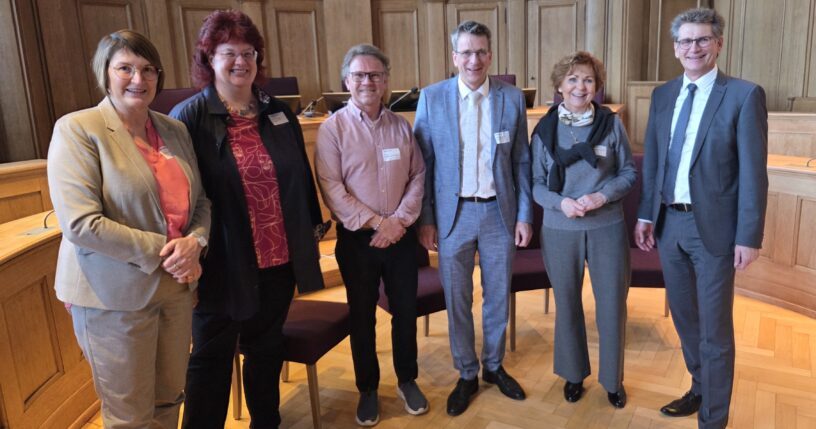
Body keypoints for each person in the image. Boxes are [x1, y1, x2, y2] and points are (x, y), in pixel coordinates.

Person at [47, 30, 211, 428]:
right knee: (129, 415)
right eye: (125, 68)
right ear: (104, 73)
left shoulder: (174, 130)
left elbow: (201, 203)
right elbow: (81, 223)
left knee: (169, 400)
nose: (138, 79)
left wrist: (197, 241)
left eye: (148, 70)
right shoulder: (77, 129)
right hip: (112, 297)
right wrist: (171, 249)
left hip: (174, 289)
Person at [170, 9, 325, 429]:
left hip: (277, 258)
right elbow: (180, 197)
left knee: (266, 350)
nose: (241, 61)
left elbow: (300, 178)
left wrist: (310, 233)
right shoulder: (189, 118)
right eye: (229, 53)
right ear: (209, 59)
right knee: (209, 361)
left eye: (248, 52)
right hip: (220, 263)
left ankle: (266, 423)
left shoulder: (278, 111)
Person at [635, 8, 768, 429]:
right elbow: (653, 161)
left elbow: (753, 173)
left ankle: (713, 419)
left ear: (718, 44)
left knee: (715, 331)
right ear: (675, 48)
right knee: (685, 318)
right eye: (686, 41)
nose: (694, 47)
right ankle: (699, 387)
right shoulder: (663, 95)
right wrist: (644, 215)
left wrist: (748, 236)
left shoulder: (744, 96)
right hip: (669, 225)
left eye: (702, 40)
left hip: (714, 231)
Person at [413, 20, 533, 416]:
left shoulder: (512, 98)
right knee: (458, 299)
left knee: (497, 294)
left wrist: (525, 215)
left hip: (500, 213)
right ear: (454, 57)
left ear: (491, 55)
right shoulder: (432, 98)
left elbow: (521, 161)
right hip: (453, 214)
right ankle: (466, 372)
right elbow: (423, 165)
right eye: (466, 52)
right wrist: (426, 218)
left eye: (481, 51)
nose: (474, 59)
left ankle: (493, 366)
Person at [314, 43, 427, 427]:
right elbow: (332, 187)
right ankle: (368, 388)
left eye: (375, 75)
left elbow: (418, 177)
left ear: (386, 82)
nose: (368, 81)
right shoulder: (333, 129)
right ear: (347, 81)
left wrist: (398, 223)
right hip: (358, 241)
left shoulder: (401, 126)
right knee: (362, 316)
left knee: (405, 313)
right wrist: (379, 224)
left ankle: (407, 379)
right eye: (360, 75)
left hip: (400, 237)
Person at [531, 51, 636, 409]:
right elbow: (535, 184)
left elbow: (628, 174)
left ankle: (612, 380)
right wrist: (560, 202)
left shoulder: (612, 124)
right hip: (560, 227)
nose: (580, 86)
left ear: (597, 86)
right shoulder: (544, 129)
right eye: (573, 79)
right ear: (559, 86)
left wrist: (601, 195)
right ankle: (574, 375)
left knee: (611, 305)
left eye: (588, 79)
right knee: (568, 304)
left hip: (606, 224)